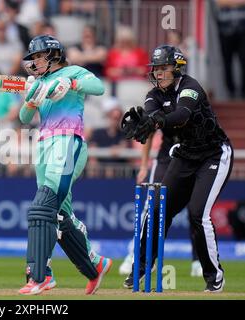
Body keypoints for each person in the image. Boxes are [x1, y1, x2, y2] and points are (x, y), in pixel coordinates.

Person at [121, 45, 234, 292]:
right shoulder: (153, 95)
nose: (158, 73)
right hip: (184, 155)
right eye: (156, 69)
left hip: (214, 154)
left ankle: (213, 276)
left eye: (163, 68)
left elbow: (181, 115)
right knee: (157, 209)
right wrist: (146, 124)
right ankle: (140, 267)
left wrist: (156, 120)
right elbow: (151, 116)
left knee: (197, 214)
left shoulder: (190, 87)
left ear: (177, 68)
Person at [18, 35, 112, 296]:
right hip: (45, 146)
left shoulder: (74, 71)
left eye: (39, 56)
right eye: (33, 58)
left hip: (69, 141)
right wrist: (31, 100)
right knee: (59, 214)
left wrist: (70, 83)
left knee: (42, 207)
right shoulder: (39, 83)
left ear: (54, 54)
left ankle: (40, 275)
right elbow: (24, 118)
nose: (35, 61)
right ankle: (95, 265)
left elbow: (98, 87)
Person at [118, 129, 203, 278]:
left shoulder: (193, 106)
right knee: (149, 208)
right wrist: (144, 166)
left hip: (191, 159)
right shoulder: (162, 106)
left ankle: (198, 261)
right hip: (165, 159)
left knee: (195, 210)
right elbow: (149, 133)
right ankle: (134, 255)